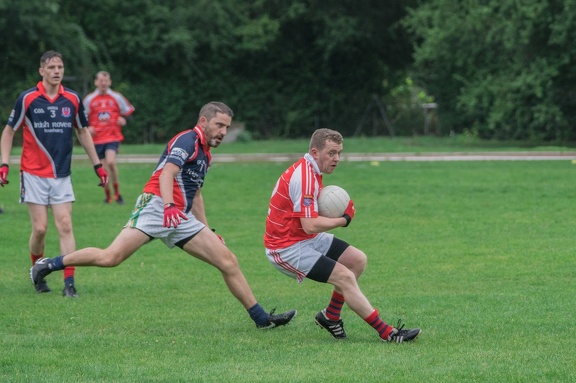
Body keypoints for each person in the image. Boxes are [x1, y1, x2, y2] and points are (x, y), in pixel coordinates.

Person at [31, 101, 296, 329]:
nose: (223, 132)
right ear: (203, 121)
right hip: (157, 206)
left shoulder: (206, 154)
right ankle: (48, 265)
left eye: (226, 127)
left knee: (228, 261)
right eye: (219, 125)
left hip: (179, 215)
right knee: (110, 257)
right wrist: (169, 206)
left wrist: (209, 230)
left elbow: (197, 194)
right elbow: (168, 172)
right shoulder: (187, 140)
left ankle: (261, 318)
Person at [264, 128, 421, 343]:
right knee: (345, 277)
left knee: (357, 260)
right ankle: (388, 333)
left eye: (339, 153)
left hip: (303, 238)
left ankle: (330, 316)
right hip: (285, 247)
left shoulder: (311, 169)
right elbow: (310, 225)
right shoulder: (304, 177)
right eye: (331, 153)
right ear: (315, 152)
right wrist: (343, 220)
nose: (336, 158)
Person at [0, 50, 108, 298]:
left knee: (65, 225)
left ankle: (69, 283)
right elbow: (8, 132)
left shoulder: (72, 98)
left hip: (61, 173)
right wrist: (4, 163)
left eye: (60, 67)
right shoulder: (27, 99)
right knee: (40, 229)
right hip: (33, 173)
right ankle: (37, 272)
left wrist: (97, 165)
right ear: (42, 71)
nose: (56, 71)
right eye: (51, 67)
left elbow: (82, 132)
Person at [84, 71, 135, 205]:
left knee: (111, 162)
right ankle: (108, 197)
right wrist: (88, 128)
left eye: (106, 80)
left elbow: (129, 114)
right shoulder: (89, 99)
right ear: (96, 82)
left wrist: (123, 120)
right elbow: (81, 119)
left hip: (112, 137)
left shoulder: (117, 97)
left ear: (110, 82)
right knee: (104, 169)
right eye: (101, 80)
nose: (103, 83)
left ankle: (117, 194)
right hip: (97, 139)